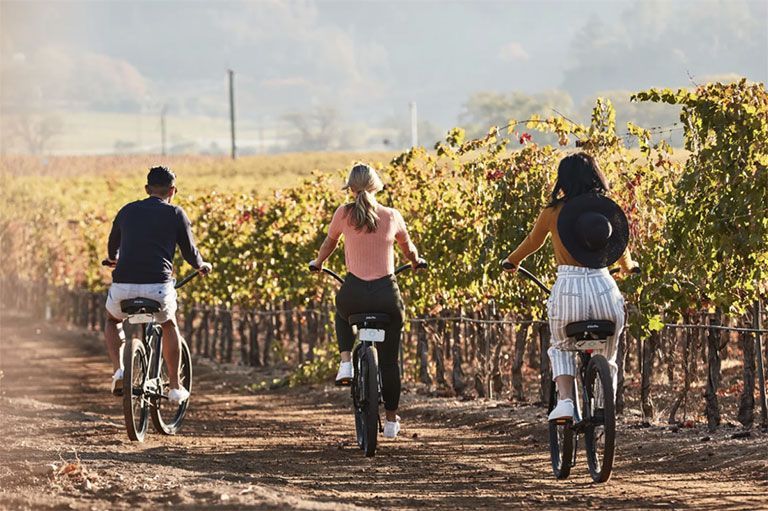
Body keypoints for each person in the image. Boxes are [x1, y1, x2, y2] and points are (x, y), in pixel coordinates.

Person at [502, 152, 639, 421]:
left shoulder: (553, 211)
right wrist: (629, 267)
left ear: (563, 179)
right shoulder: (606, 209)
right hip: (604, 289)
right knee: (608, 351)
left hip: (569, 290)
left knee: (561, 347)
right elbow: (620, 245)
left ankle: (565, 402)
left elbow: (533, 242)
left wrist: (512, 261)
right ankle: (603, 402)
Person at [310, 163, 425, 439]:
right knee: (389, 362)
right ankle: (390, 422)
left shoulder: (343, 213)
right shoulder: (392, 215)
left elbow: (329, 244)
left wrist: (318, 262)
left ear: (350, 187)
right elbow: (408, 249)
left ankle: (346, 362)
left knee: (341, 311)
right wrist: (415, 261)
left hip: (355, 294)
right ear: (377, 185)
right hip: (386, 296)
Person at [104, 166, 211, 403]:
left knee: (112, 320)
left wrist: (114, 260)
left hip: (124, 286)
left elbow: (113, 245)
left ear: (146, 189)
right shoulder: (176, 213)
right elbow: (190, 253)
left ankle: (119, 370)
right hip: (158, 287)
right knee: (168, 324)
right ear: (173, 190)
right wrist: (201, 266)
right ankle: (174, 386)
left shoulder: (127, 211)